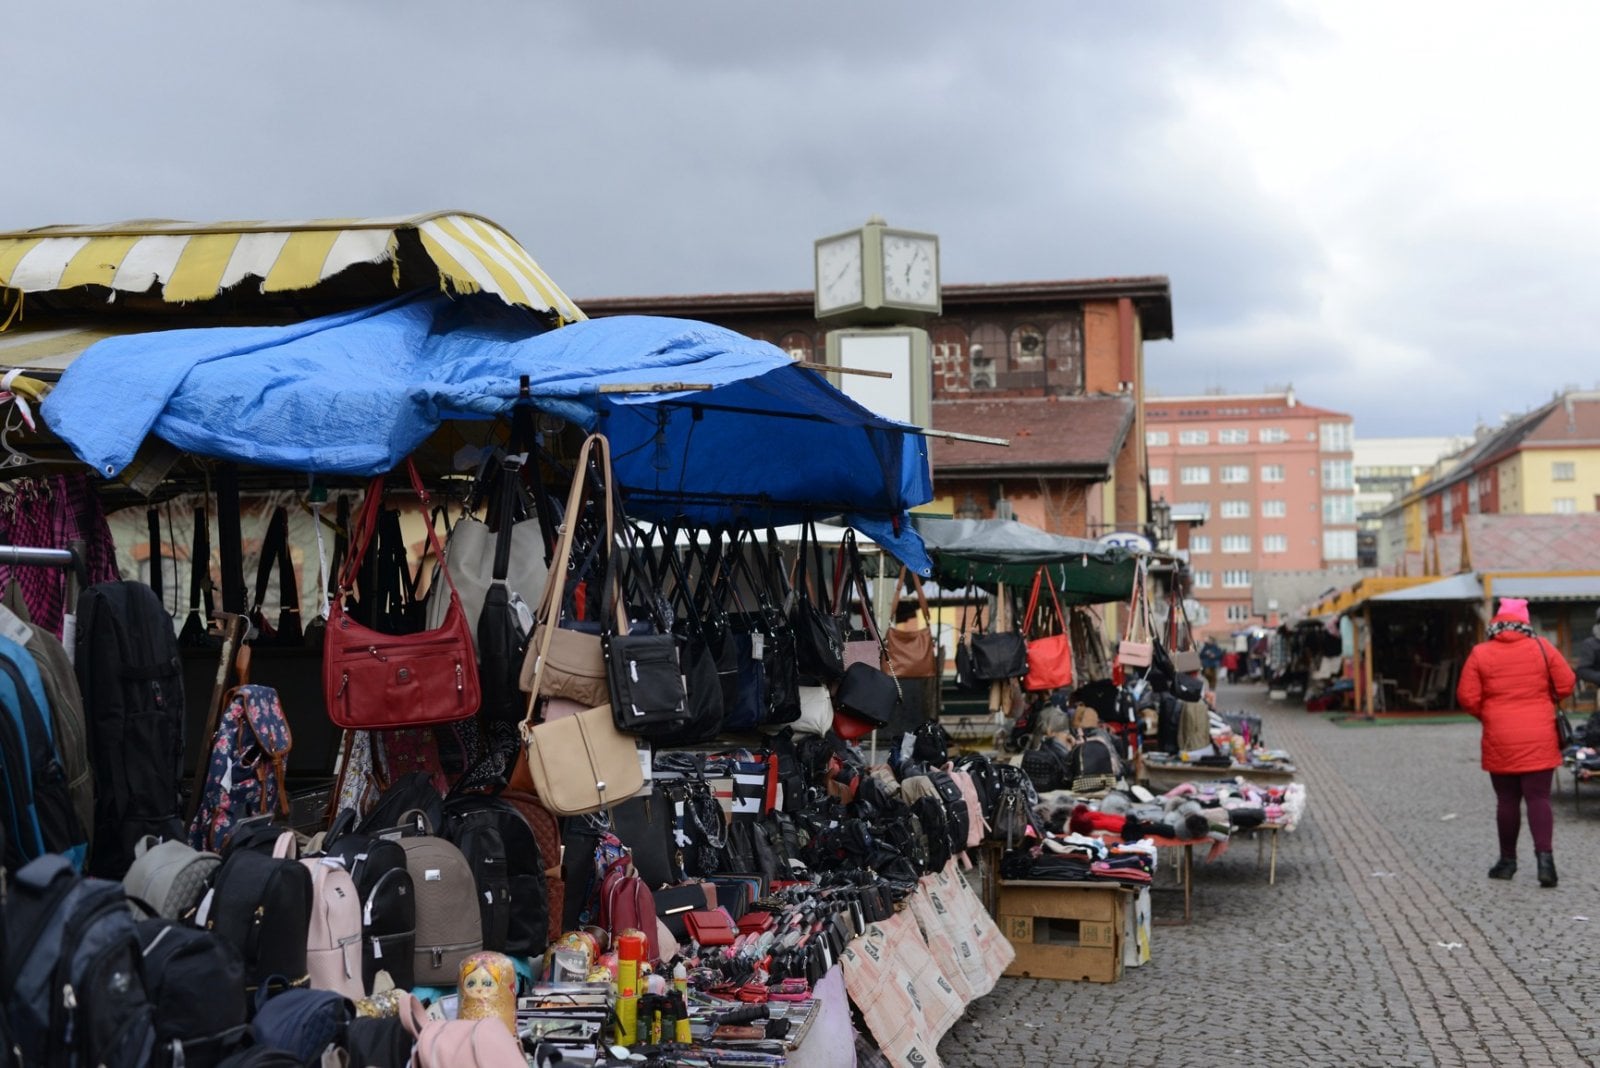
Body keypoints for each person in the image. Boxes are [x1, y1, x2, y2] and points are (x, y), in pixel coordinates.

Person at [1456, 597, 1575, 887]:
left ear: (1496, 622)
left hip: (1500, 735)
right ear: (1526, 622)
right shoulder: (1542, 648)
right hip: (1539, 734)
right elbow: (1566, 683)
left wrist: (1489, 715)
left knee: (1507, 800)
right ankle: (1545, 862)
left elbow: (1467, 697)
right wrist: (1545, 700)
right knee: (1539, 798)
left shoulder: (1480, 653)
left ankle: (1507, 862)